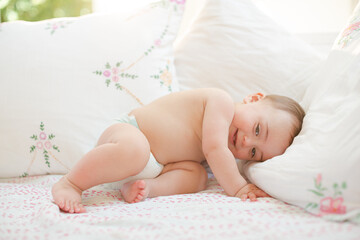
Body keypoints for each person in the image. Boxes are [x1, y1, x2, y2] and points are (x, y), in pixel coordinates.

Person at [52, 88, 305, 213]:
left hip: (156, 168)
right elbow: (214, 148)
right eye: (259, 130)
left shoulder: (215, 155)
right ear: (253, 98)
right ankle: (71, 183)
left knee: (197, 176)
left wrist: (152, 181)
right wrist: (239, 187)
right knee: (136, 149)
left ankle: (144, 188)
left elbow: (212, 154)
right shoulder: (221, 101)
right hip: (127, 134)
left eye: (253, 153)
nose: (246, 142)